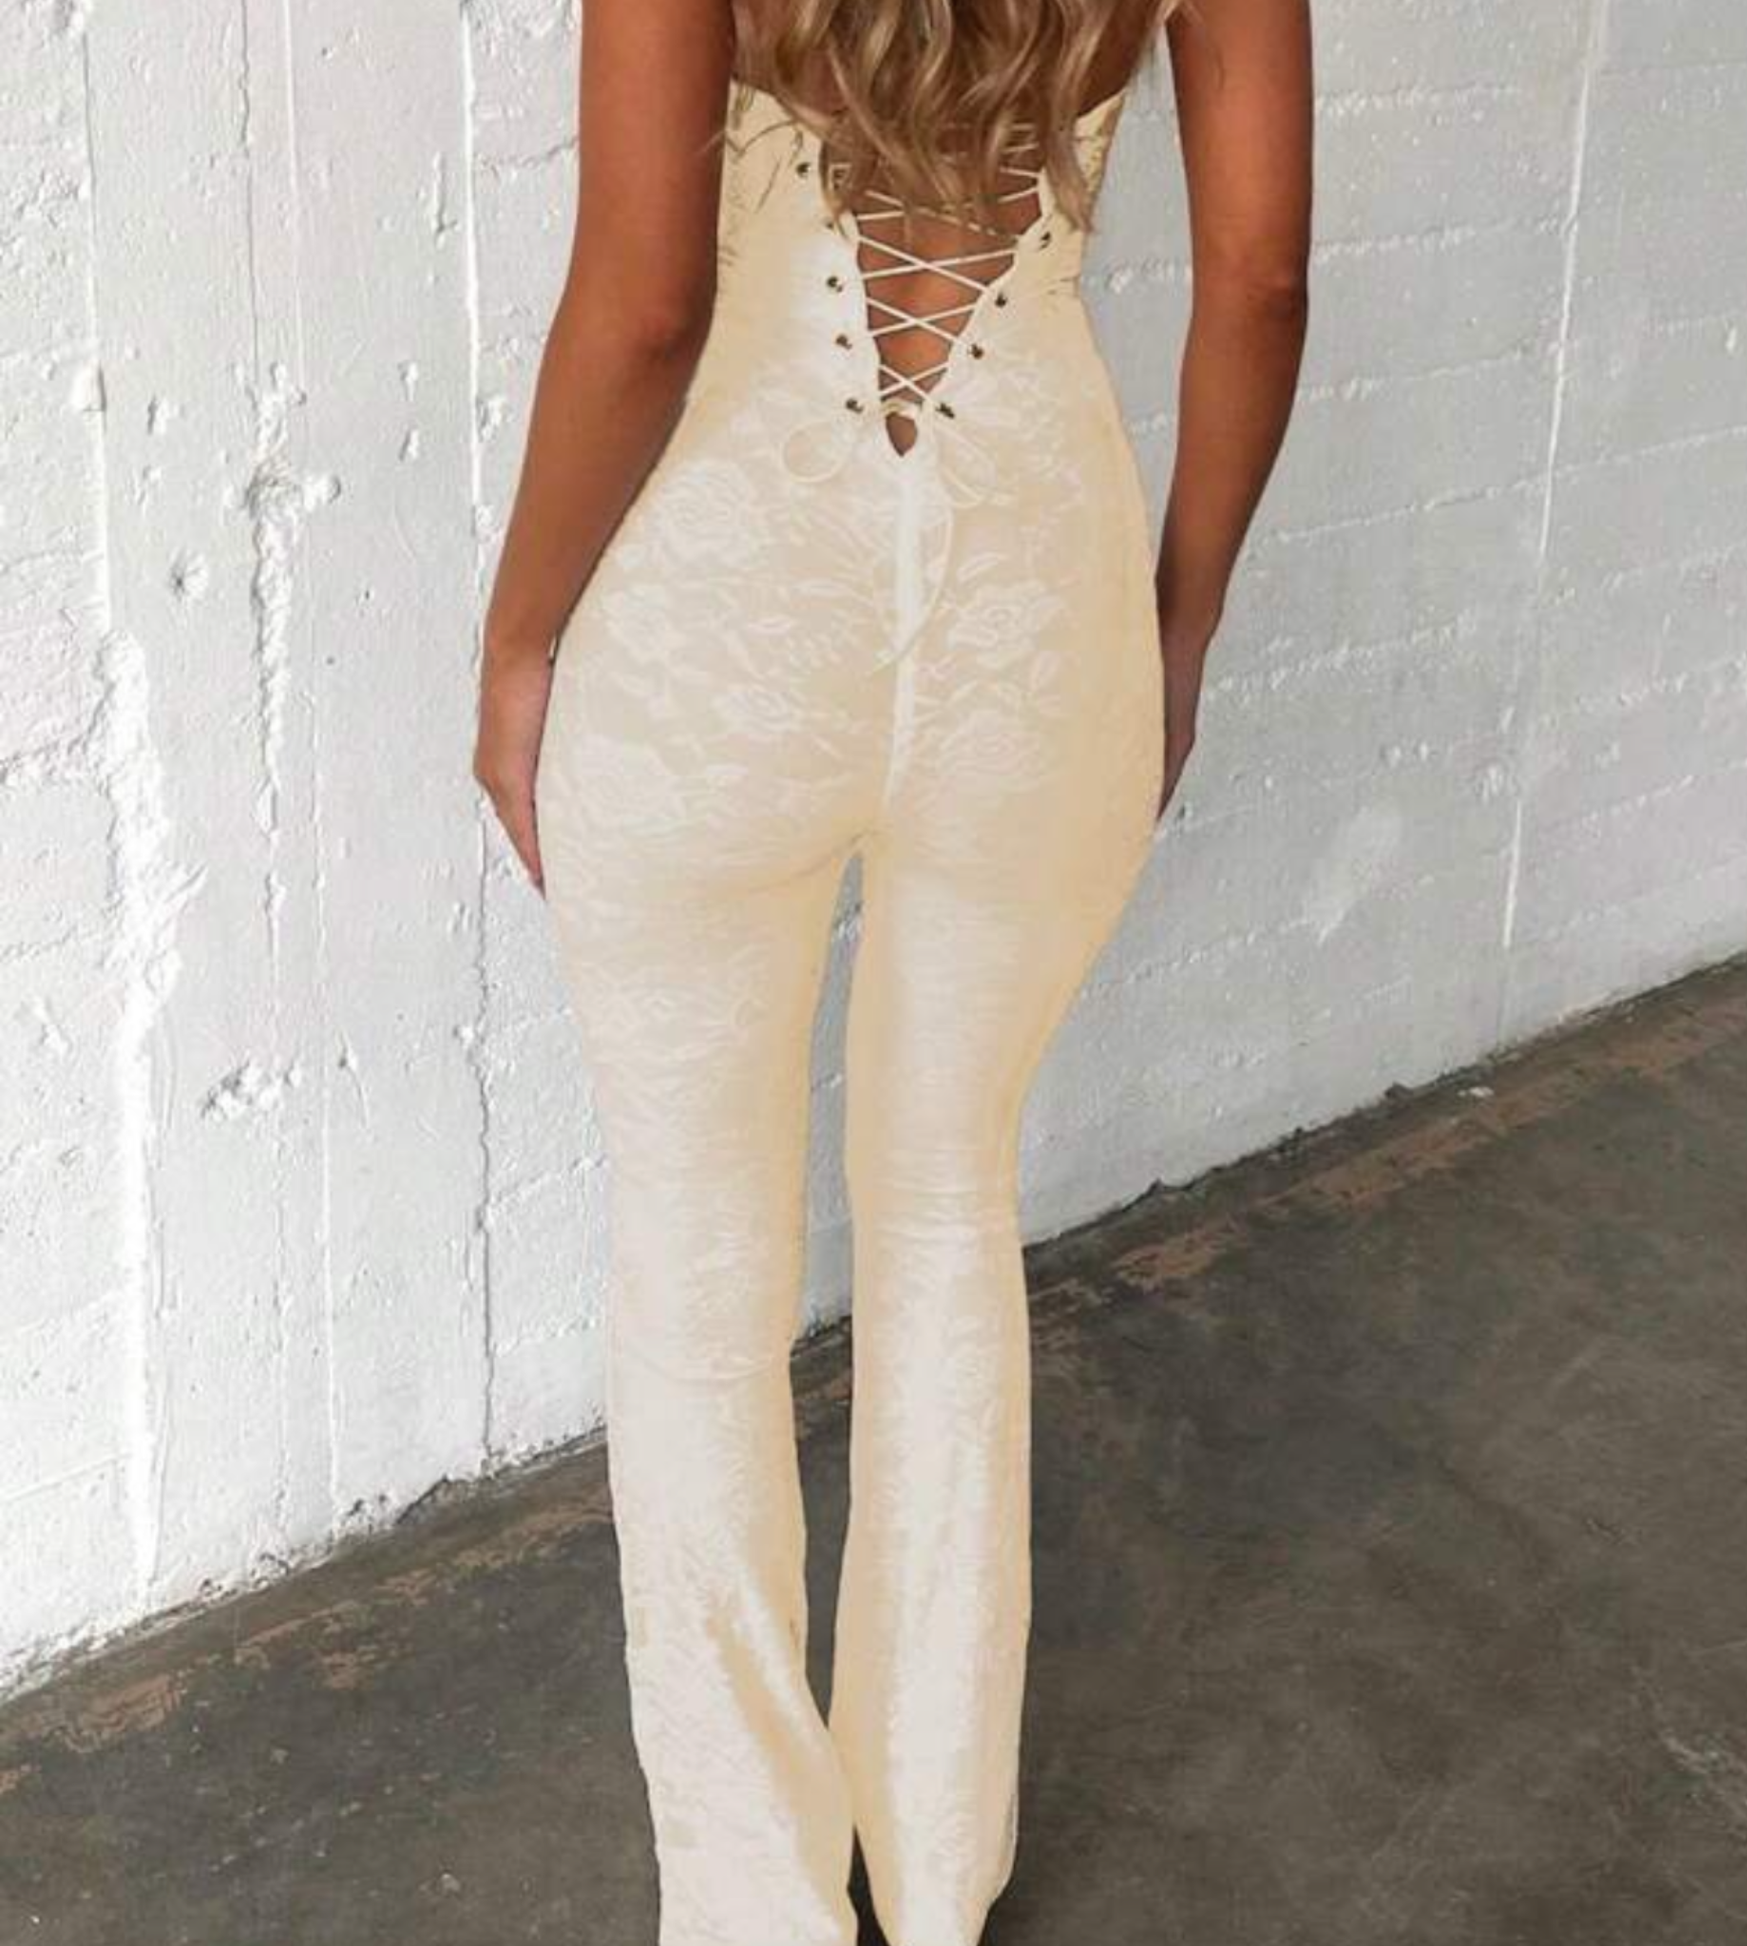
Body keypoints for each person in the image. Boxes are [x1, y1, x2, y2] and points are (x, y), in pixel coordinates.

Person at [472, 0, 1310, 1932]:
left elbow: (646, 307)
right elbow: (1260, 279)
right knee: (943, 1208)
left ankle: (753, 1900)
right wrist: (1177, 625)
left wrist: (518, 637)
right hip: (1037, 596)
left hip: (720, 606)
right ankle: (933, 1871)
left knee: (697, 1254)